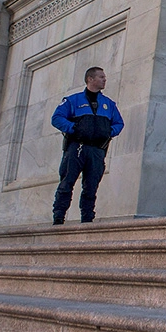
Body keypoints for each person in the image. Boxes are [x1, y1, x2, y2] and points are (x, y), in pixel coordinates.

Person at [51, 67, 124, 224]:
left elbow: (119, 123)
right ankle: (59, 216)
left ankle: (87, 217)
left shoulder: (108, 104)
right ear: (90, 79)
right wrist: (74, 129)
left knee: (91, 186)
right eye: (101, 77)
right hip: (77, 147)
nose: (105, 79)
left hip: (97, 150)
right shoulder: (73, 100)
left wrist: (108, 132)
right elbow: (57, 118)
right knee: (67, 182)